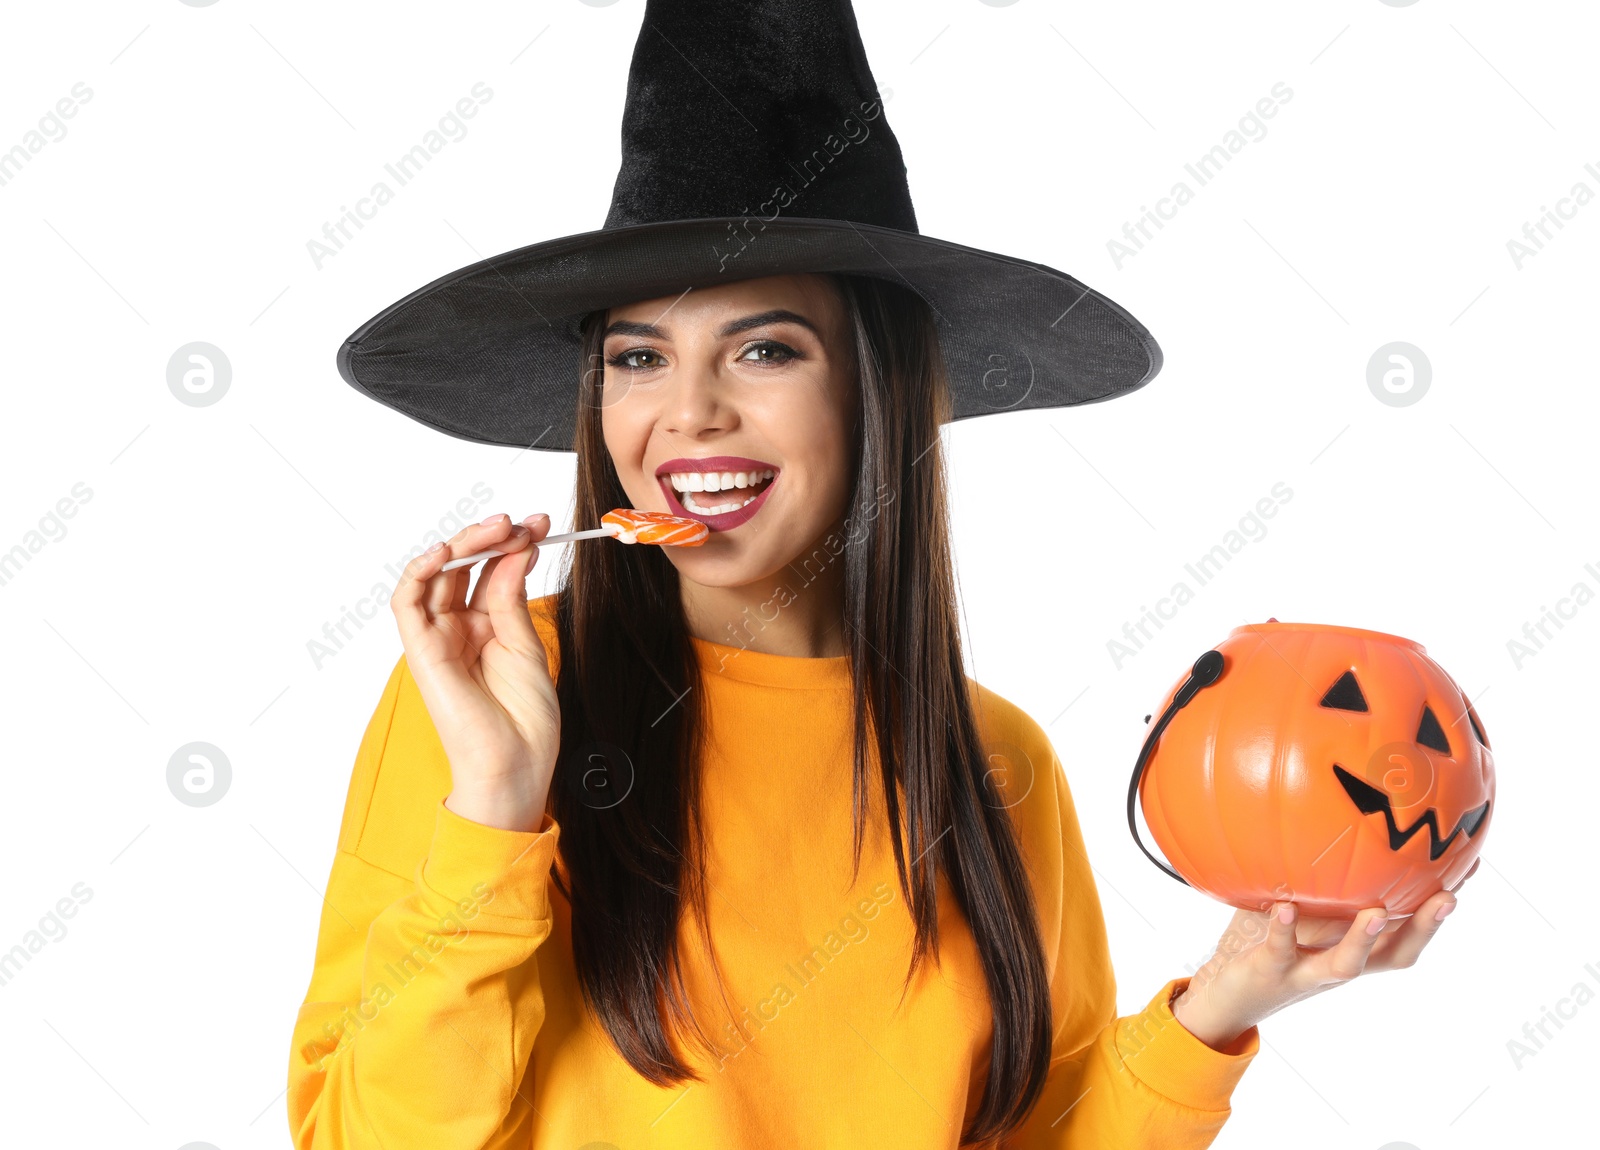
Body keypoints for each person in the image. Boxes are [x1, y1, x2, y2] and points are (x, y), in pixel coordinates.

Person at [286, 271, 1470, 1149]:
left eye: (763, 351)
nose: (686, 414)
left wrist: (1222, 1002)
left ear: (878, 397)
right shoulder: (500, 693)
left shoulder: (997, 757)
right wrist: (494, 811)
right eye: (638, 358)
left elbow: (1040, 1133)